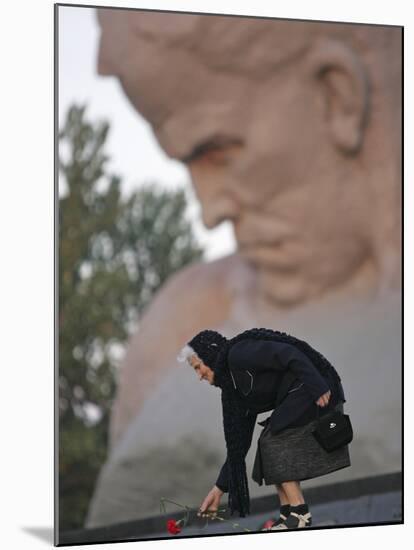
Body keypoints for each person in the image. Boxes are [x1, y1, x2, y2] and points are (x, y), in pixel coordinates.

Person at [177, 327, 351, 530]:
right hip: (303, 390)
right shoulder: (233, 392)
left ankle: (300, 514)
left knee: (272, 438)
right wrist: (219, 489)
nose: (199, 376)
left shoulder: (238, 353)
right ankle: (288, 514)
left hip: (316, 384)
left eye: (198, 367)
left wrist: (317, 384)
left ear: (209, 356)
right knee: (266, 440)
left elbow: (288, 353)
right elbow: (238, 444)